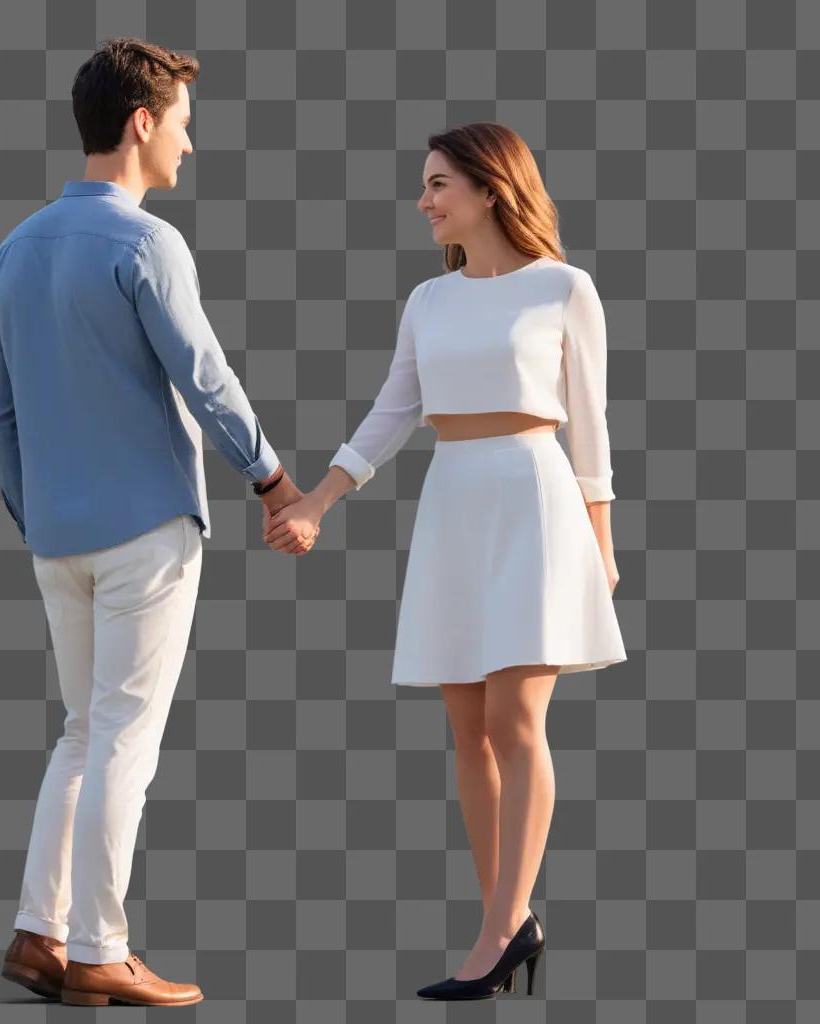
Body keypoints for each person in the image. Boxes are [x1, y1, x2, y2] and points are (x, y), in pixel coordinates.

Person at [0, 39, 318, 1008]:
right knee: (125, 736)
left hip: (56, 537)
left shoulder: (12, 252)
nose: (188, 144)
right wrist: (271, 478)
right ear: (141, 123)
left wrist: (34, 507)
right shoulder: (145, 244)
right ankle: (99, 948)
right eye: (181, 122)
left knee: (81, 730)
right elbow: (204, 376)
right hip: (144, 535)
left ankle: (37, 934)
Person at [264, 121, 627, 1000]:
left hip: (536, 502)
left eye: (437, 186)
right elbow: (393, 413)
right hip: (454, 501)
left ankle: (500, 930)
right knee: (467, 731)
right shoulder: (430, 301)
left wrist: (602, 544)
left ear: (490, 188)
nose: (422, 202)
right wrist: (313, 500)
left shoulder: (566, 289)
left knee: (516, 726)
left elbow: (591, 427)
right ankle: (510, 921)